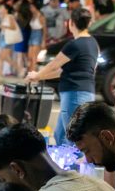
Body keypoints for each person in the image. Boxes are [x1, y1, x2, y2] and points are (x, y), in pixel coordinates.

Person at [27, 8, 98, 146]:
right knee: (60, 134)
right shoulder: (93, 43)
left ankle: (74, 167)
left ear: (70, 23)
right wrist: (40, 77)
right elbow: (62, 70)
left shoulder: (75, 44)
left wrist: (37, 75)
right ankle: (66, 166)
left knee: (72, 138)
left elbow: (54, 64)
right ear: (89, 23)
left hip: (74, 94)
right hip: (85, 92)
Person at [0, 2, 19, 77]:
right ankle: (0, 73)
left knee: (5, 57)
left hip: (8, 39)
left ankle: (20, 69)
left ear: (6, 9)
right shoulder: (2, 17)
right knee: (1, 56)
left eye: (2, 8)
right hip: (3, 37)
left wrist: (3, 26)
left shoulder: (10, 16)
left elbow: (13, 27)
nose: (0, 9)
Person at [26, 0, 46, 74]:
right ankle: (30, 71)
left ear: (35, 7)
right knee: (29, 56)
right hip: (32, 34)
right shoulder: (32, 15)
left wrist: (43, 41)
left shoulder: (40, 16)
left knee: (34, 57)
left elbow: (44, 29)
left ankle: (32, 73)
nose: (30, 9)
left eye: (32, 7)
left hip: (38, 34)